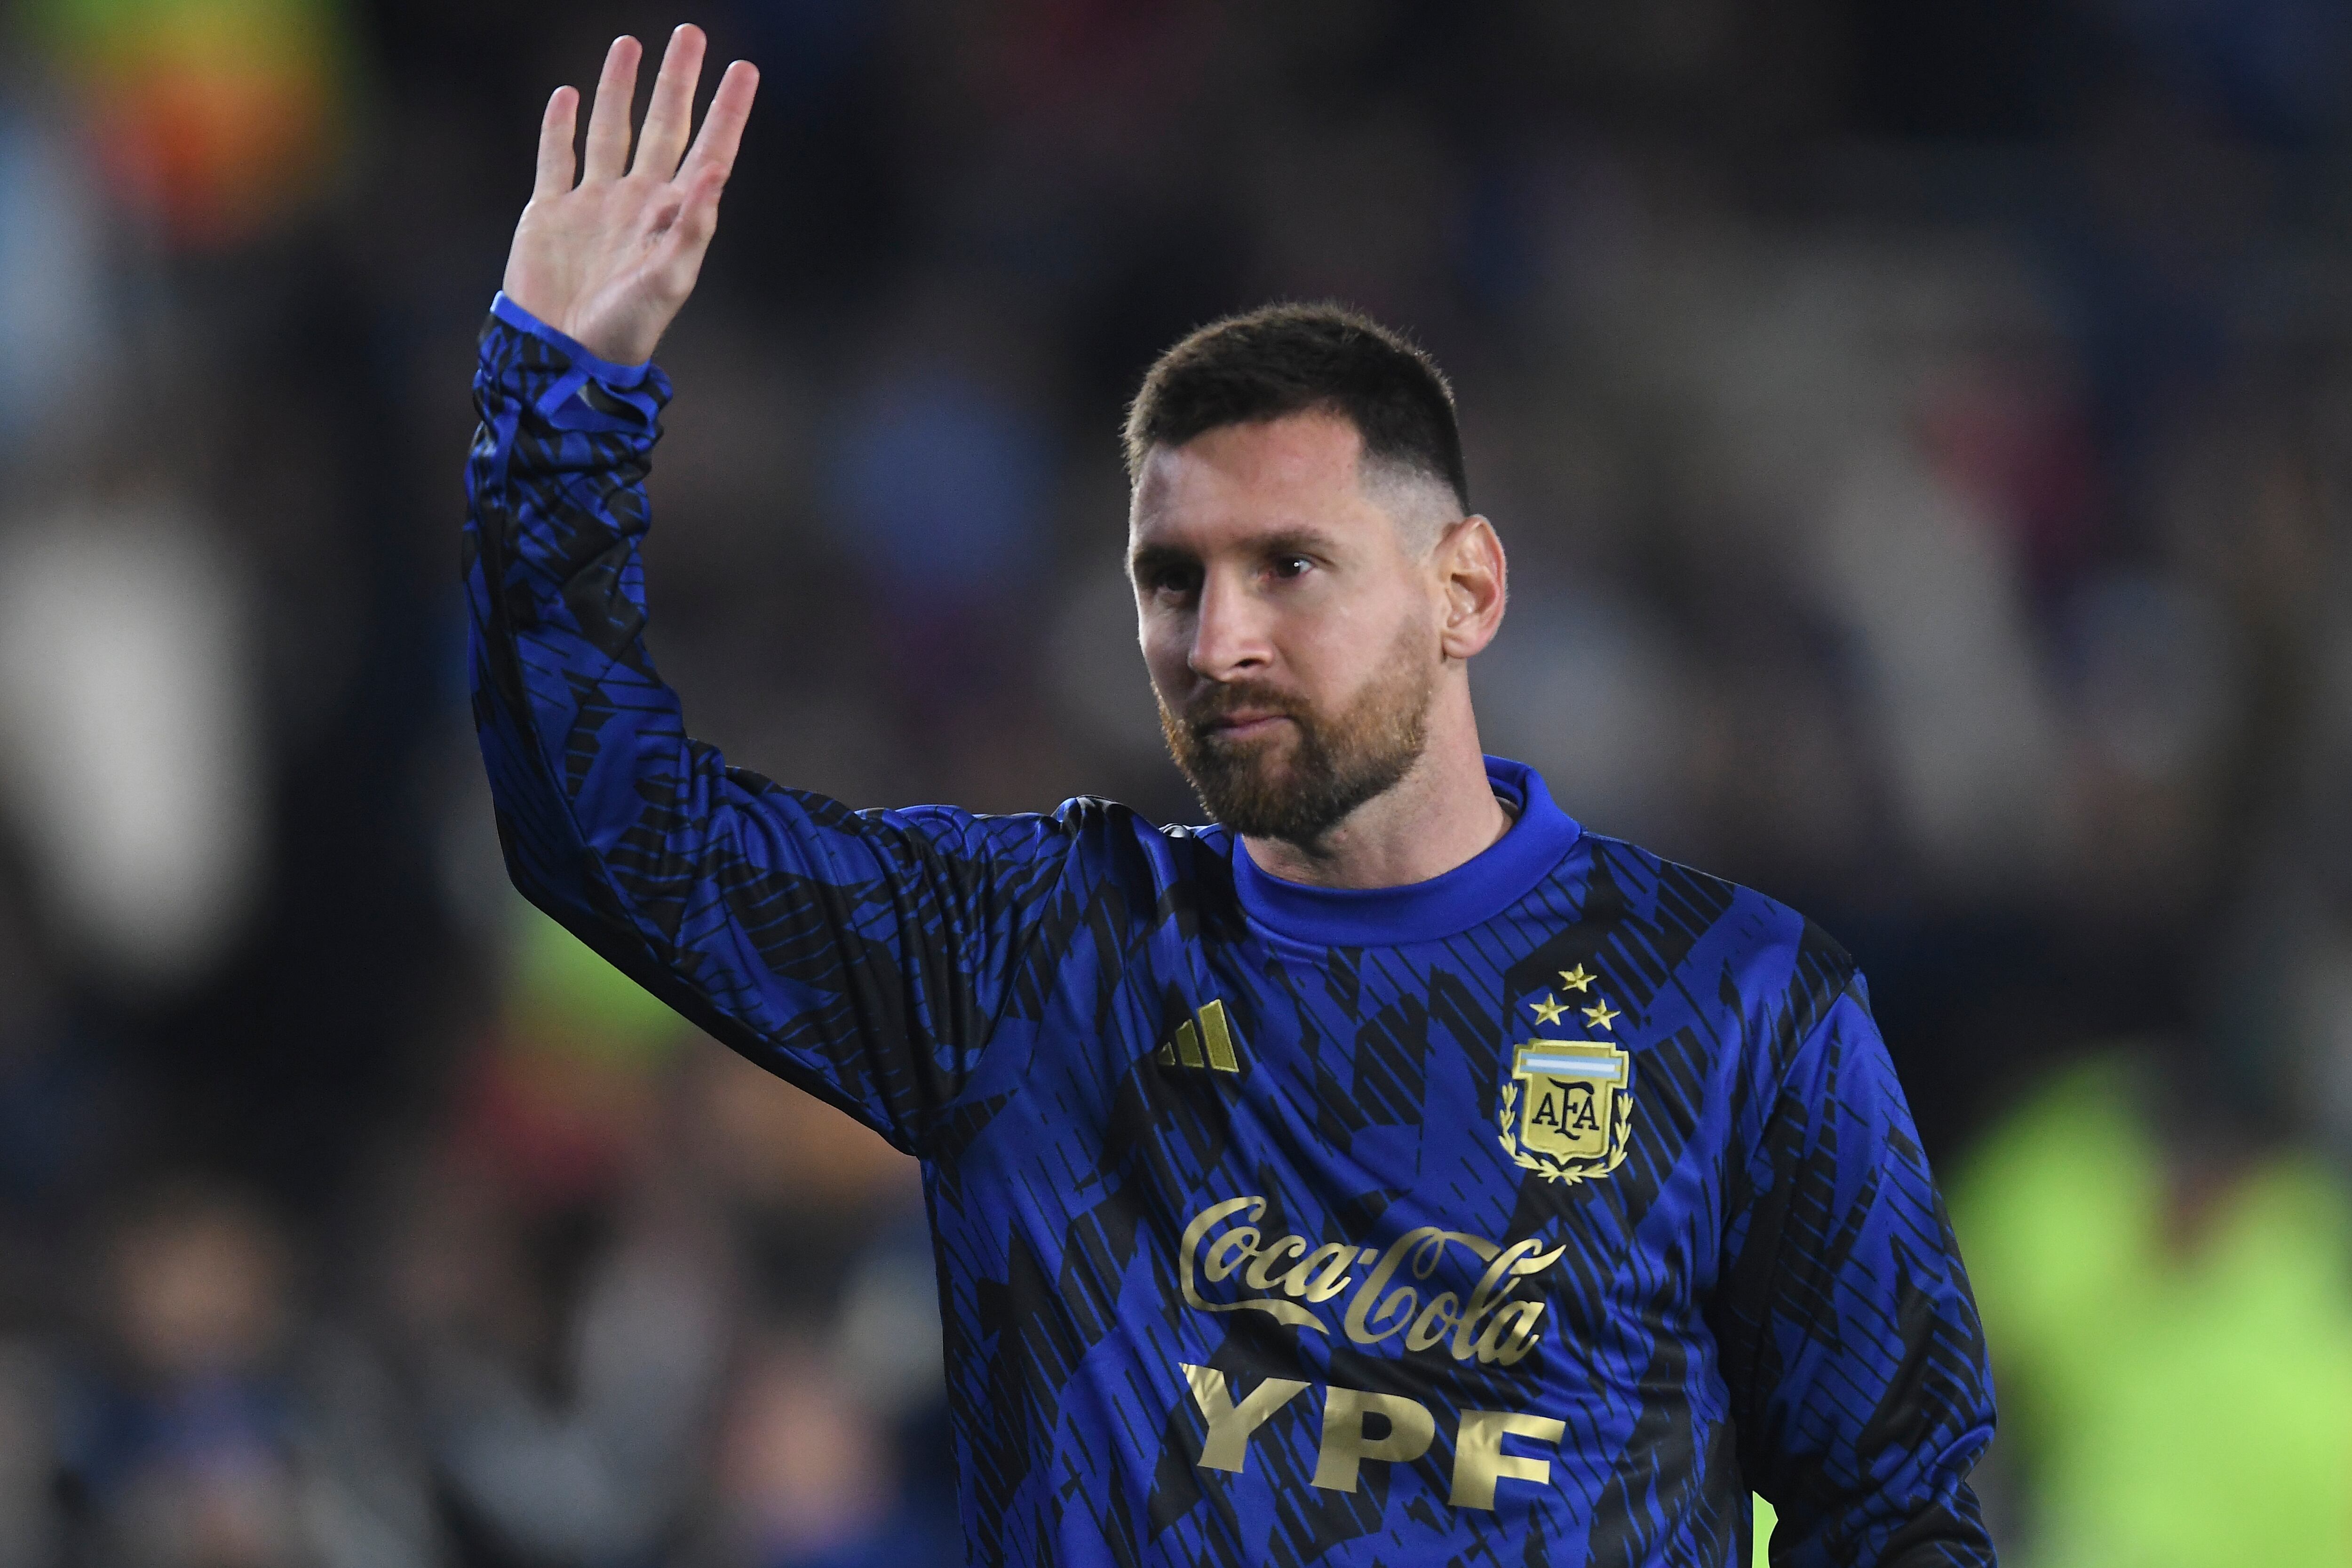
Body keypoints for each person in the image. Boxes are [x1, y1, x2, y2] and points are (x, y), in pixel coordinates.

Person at [465, 25, 1997, 1567]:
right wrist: (561, 397)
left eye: (1291, 568)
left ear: (1465, 589)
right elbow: (610, 833)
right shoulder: (1033, 960)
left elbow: (1898, 1513)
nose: (1219, 640)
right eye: (1170, 580)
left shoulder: (1739, 1007)